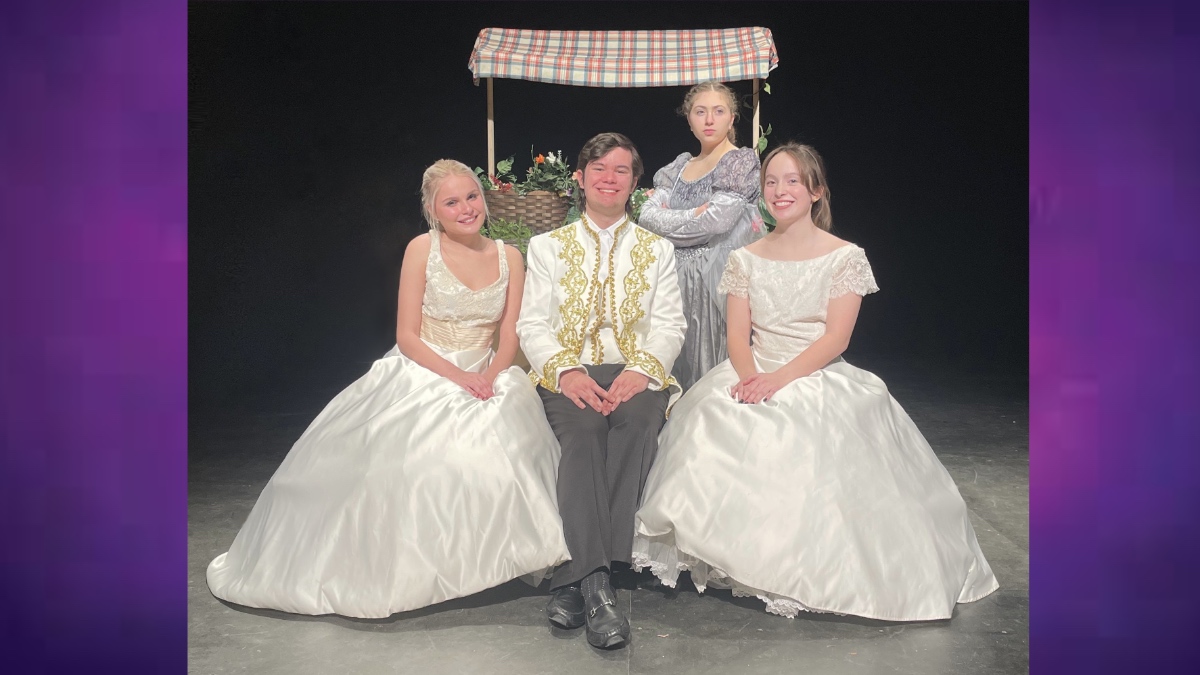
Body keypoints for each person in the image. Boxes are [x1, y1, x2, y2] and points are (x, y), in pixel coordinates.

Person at [632, 143, 999, 621]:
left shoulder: (844, 256)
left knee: (806, 438)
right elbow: (737, 336)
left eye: (792, 181)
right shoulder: (745, 258)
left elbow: (836, 338)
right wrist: (751, 378)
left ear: (816, 191)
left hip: (814, 371)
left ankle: (803, 570)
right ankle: (731, 552)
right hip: (752, 368)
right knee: (711, 418)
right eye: (771, 182)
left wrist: (778, 381)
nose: (780, 190)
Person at [206, 160, 570, 619]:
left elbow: (511, 336)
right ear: (433, 211)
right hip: (426, 367)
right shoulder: (422, 249)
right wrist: (457, 377)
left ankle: (492, 559)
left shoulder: (509, 256)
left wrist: (492, 376)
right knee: (409, 458)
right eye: (451, 202)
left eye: (472, 197)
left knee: (505, 443)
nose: (466, 208)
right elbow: (407, 336)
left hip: (487, 370)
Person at [517, 132, 686, 648]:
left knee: (637, 424)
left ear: (635, 183)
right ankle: (598, 583)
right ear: (580, 178)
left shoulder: (658, 249)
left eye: (620, 170)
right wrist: (567, 372)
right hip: (569, 371)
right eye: (599, 169)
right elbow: (532, 324)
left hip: (636, 371)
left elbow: (670, 324)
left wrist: (643, 370)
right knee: (586, 430)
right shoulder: (547, 246)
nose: (609, 179)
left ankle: (579, 579)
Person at [638, 80, 762, 390]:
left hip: (714, 282)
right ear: (689, 119)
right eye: (700, 111)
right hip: (671, 278)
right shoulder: (679, 167)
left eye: (718, 111)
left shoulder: (739, 162)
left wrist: (675, 219)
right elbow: (647, 217)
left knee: (708, 367)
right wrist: (695, 212)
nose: (709, 120)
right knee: (672, 358)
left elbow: (717, 222)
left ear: (731, 119)